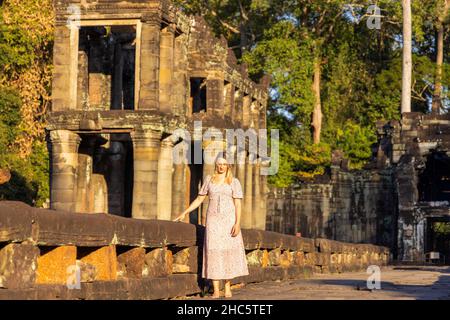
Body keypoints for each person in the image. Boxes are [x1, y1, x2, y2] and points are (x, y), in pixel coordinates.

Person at [174, 157, 249, 298]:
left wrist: (238, 223)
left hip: (229, 220)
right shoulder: (209, 180)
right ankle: (215, 289)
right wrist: (185, 212)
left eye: (224, 164)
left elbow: (238, 204)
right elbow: (200, 199)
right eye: (219, 164)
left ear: (228, 166)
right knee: (213, 251)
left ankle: (227, 287)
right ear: (216, 165)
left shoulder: (234, 181)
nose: (221, 167)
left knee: (227, 252)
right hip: (213, 221)